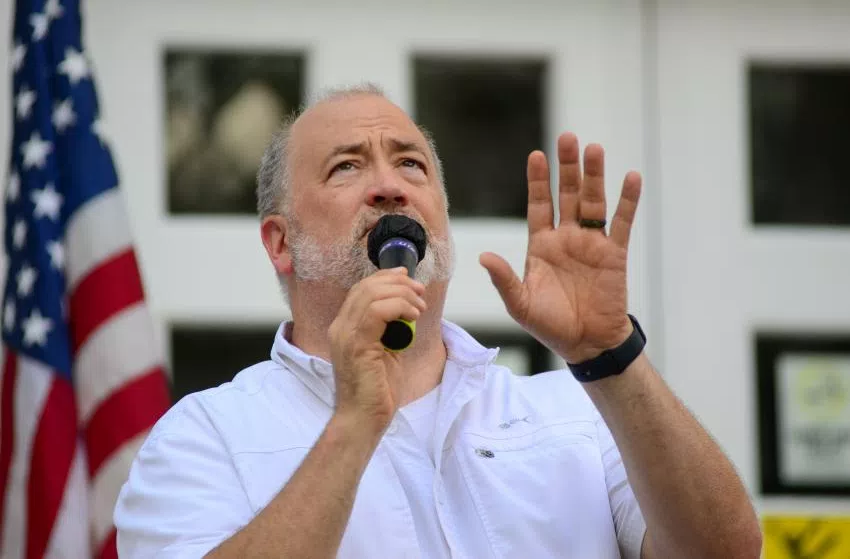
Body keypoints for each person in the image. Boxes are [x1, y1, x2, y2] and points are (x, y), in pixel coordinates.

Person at [114, 84, 762, 558]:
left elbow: (727, 552)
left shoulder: (576, 412)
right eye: (346, 166)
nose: (390, 186)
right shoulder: (204, 437)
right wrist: (353, 423)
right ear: (281, 243)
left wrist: (610, 353)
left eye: (411, 163)